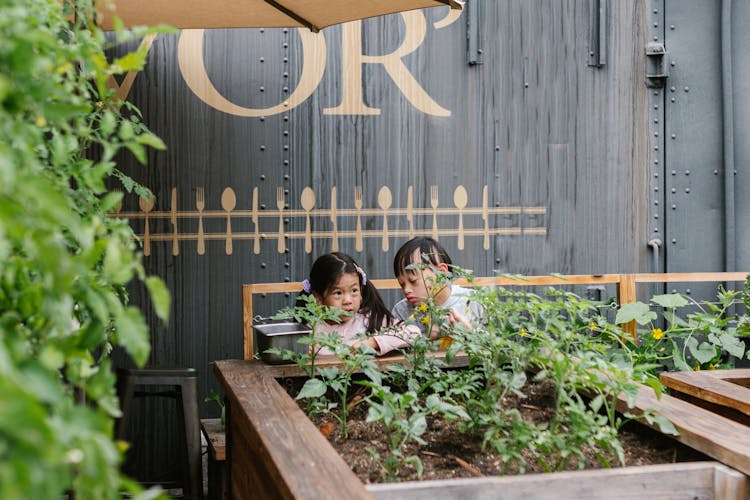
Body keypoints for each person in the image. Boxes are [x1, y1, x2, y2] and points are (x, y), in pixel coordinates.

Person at [301, 252, 420, 356]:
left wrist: (373, 342)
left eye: (354, 291)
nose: (348, 300)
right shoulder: (310, 330)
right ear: (318, 298)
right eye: (338, 293)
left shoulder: (369, 320)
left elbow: (414, 333)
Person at [392, 237, 482, 337]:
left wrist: (470, 334)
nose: (406, 290)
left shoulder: (474, 301)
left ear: (442, 273)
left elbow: (493, 348)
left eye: (413, 281)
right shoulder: (401, 311)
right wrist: (429, 336)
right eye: (402, 284)